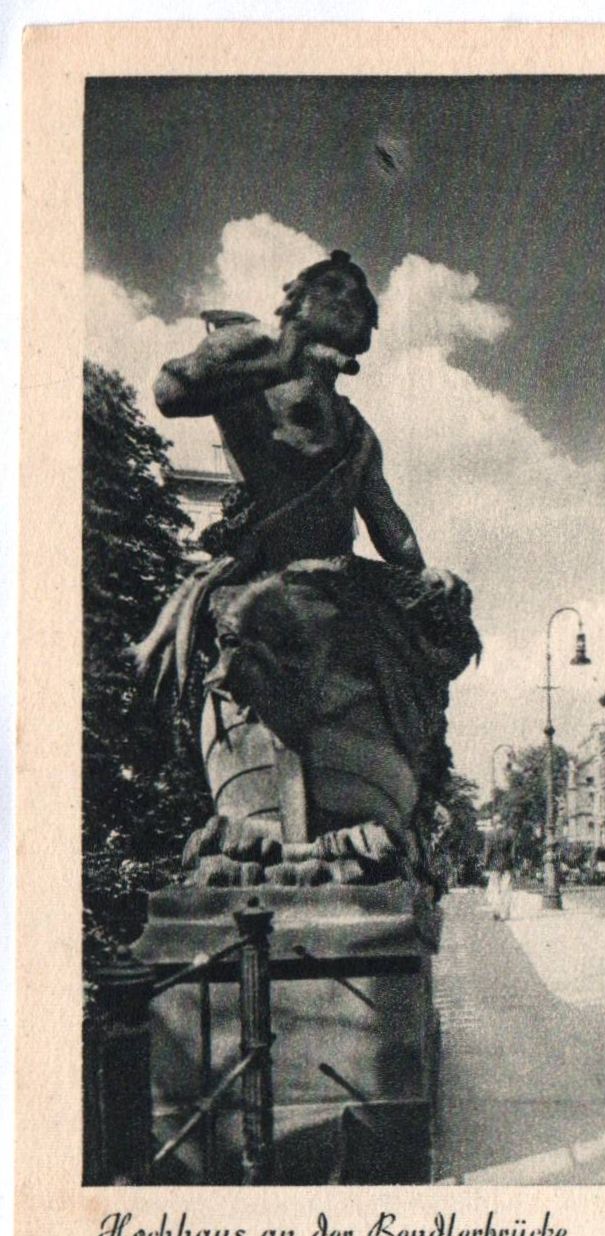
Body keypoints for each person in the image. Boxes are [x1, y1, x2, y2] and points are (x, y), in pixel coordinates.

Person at [134, 250, 480, 886]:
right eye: (332, 289)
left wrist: (425, 575)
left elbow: (387, 519)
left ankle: (384, 790)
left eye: (360, 301)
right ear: (294, 299)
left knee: (434, 634)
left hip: (337, 577)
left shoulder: (356, 430)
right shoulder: (245, 348)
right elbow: (171, 390)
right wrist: (280, 358)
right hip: (265, 573)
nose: (349, 303)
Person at [486, 834, 514, 922]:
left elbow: (488, 852)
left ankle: (496, 911)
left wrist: (486, 863)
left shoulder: (490, 836)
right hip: (507, 865)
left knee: (494, 889)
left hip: (494, 866)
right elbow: (512, 853)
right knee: (506, 890)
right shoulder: (508, 835)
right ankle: (504, 913)